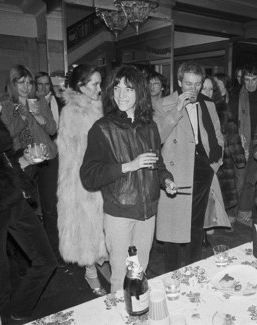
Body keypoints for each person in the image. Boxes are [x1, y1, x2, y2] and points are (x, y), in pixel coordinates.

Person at [80, 65, 176, 293]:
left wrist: (166, 179)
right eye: (117, 88)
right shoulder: (102, 128)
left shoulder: (149, 126)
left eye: (129, 89)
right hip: (119, 212)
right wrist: (127, 166)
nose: (121, 95)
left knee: (140, 272)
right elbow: (89, 177)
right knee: (120, 277)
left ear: (139, 93)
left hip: (147, 212)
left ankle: (138, 314)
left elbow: (157, 163)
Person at [0, 71, 56, 322]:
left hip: (11, 198)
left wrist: (24, 160)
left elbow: (2, 157)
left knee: (46, 262)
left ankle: (19, 312)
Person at [154, 61, 225, 272]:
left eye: (197, 84)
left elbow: (218, 137)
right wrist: (177, 110)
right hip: (174, 173)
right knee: (173, 228)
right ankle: (173, 275)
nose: (192, 90)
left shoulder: (208, 104)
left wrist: (214, 164)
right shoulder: (163, 105)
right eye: (187, 84)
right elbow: (155, 138)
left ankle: (194, 270)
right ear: (178, 82)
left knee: (196, 226)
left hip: (202, 168)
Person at [0, 65, 64, 266]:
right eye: (21, 82)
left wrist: (38, 115)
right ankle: (28, 259)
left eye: (29, 82)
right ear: (13, 83)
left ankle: (55, 253)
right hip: (22, 162)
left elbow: (53, 128)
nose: (26, 87)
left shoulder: (39, 101)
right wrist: (25, 118)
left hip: (46, 159)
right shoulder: (5, 105)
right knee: (23, 211)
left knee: (51, 209)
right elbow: (5, 137)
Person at [57, 64, 108, 296]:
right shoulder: (72, 112)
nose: (99, 88)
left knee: (103, 223)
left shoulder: (96, 106)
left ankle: (101, 260)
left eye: (99, 83)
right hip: (81, 180)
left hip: (101, 174)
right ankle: (90, 272)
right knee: (88, 224)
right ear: (81, 86)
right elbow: (80, 153)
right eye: (94, 84)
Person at [201, 76, 245, 232]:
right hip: (200, 158)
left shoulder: (222, 108)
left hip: (221, 157)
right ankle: (206, 225)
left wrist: (239, 158)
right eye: (203, 88)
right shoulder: (191, 107)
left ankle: (214, 222)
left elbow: (232, 135)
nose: (207, 92)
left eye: (210, 89)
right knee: (203, 195)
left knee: (218, 194)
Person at [228, 63, 257, 222]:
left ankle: (244, 212)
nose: (250, 83)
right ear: (242, 80)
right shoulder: (236, 96)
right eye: (247, 79)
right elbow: (229, 122)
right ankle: (230, 213)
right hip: (241, 142)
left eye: (254, 79)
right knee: (238, 181)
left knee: (251, 181)